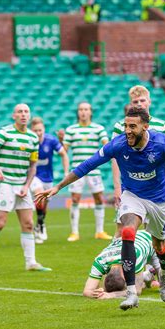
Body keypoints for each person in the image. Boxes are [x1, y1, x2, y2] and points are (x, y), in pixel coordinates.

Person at [36, 107, 165, 310]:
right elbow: (87, 165)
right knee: (127, 231)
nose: (127, 130)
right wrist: (58, 187)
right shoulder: (117, 144)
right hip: (132, 195)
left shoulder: (162, 143)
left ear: (145, 126)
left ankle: (164, 274)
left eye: (132, 126)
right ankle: (131, 293)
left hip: (159, 200)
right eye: (126, 125)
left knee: (159, 245)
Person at [0, 104, 51, 275]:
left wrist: (27, 186)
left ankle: (31, 262)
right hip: (5, 183)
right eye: (20, 112)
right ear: (14, 116)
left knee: (28, 223)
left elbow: (33, 166)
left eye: (26, 111)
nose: (23, 114)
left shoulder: (33, 138)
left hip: (22, 185)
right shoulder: (5, 132)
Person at [83, 230, 165, 300]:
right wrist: (99, 292)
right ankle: (149, 274)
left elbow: (137, 290)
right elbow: (86, 291)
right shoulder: (100, 260)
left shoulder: (133, 257)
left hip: (153, 244)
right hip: (134, 245)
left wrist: (111, 295)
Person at [111, 86, 165, 236]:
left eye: (142, 100)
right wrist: (117, 188)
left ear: (149, 101)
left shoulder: (162, 126)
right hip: (131, 187)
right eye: (135, 101)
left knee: (153, 232)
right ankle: (117, 258)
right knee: (123, 227)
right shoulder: (121, 126)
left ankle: (155, 259)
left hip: (156, 188)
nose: (139, 104)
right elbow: (114, 158)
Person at [63, 102, 112, 242]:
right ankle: (74, 232)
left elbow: (106, 146)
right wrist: (61, 141)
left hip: (94, 170)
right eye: (81, 109)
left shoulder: (99, 129)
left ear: (90, 112)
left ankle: (100, 231)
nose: (83, 112)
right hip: (76, 170)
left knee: (98, 198)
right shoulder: (71, 130)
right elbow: (64, 151)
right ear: (78, 112)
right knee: (75, 199)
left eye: (86, 109)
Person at [29, 117, 69, 244]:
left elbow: (63, 154)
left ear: (44, 129)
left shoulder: (51, 140)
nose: (38, 133)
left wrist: (66, 172)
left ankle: (40, 223)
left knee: (44, 205)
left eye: (40, 130)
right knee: (39, 194)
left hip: (48, 177)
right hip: (34, 176)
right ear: (32, 130)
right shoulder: (29, 142)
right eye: (35, 130)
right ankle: (40, 227)